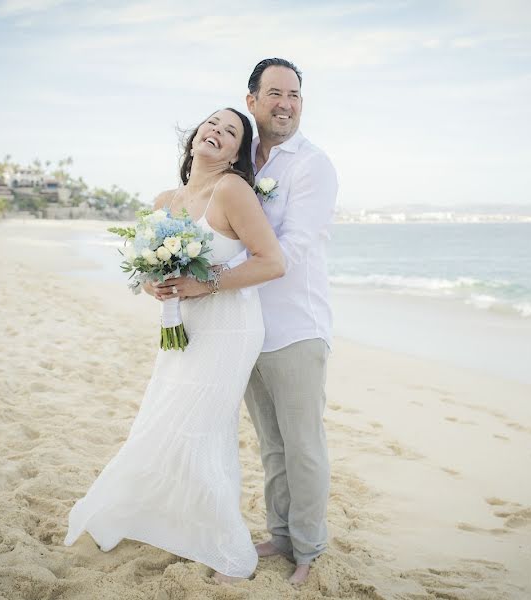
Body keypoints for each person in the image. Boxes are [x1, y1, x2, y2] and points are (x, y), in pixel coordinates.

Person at [64, 107, 285, 582]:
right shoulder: (165, 199)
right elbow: (149, 274)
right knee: (163, 417)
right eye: (213, 124)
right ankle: (162, 521)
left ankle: (224, 546)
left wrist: (208, 282)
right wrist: (156, 286)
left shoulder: (233, 190)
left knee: (203, 428)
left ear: (235, 153)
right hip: (181, 326)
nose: (218, 132)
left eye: (231, 132)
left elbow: (272, 263)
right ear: (194, 137)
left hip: (228, 327)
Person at [242, 58, 339, 585]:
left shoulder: (312, 164)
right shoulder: (243, 162)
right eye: (275, 93)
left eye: (295, 95)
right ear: (252, 99)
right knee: (271, 445)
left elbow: (296, 246)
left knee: (304, 445)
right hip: (246, 327)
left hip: (297, 328)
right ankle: (279, 535)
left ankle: (308, 547)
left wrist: (222, 274)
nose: (286, 103)